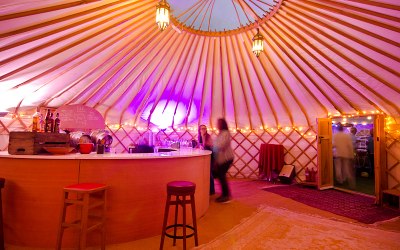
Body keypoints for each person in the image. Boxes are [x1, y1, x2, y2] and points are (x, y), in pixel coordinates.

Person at [213, 118, 234, 203]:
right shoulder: (221, 133)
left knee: (221, 176)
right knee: (220, 175)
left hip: (227, 158)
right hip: (222, 159)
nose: (217, 125)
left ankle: (226, 196)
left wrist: (211, 145)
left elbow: (221, 145)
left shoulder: (225, 133)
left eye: (218, 123)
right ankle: (225, 194)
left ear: (222, 124)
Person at [332, 124, 355, 189]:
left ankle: (340, 180)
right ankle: (346, 180)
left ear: (338, 129)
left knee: (338, 168)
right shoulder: (346, 136)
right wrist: (351, 155)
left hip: (338, 154)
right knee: (346, 168)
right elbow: (350, 146)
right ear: (343, 129)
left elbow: (333, 145)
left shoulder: (335, 135)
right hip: (345, 154)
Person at [198, 124, 215, 195]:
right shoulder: (200, 136)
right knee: (206, 173)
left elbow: (207, 145)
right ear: (199, 130)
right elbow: (200, 145)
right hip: (205, 156)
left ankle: (212, 190)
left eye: (204, 128)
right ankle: (206, 188)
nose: (203, 130)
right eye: (202, 129)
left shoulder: (208, 136)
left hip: (210, 156)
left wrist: (202, 145)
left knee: (209, 173)